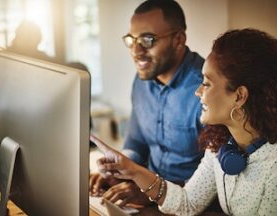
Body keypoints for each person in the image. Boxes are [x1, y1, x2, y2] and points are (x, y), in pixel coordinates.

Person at [90, 28, 277, 215]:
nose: (198, 92)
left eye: (207, 83)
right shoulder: (219, 144)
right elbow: (188, 203)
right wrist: (132, 170)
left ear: (239, 96)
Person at [90, 0, 205, 207]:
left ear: (178, 39)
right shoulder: (142, 81)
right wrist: (118, 170)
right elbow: (137, 142)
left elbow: (217, 181)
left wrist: (151, 189)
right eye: (132, 40)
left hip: (188, 203)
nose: (136, 51)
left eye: (148, 40)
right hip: (146, 194)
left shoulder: (206, 90)